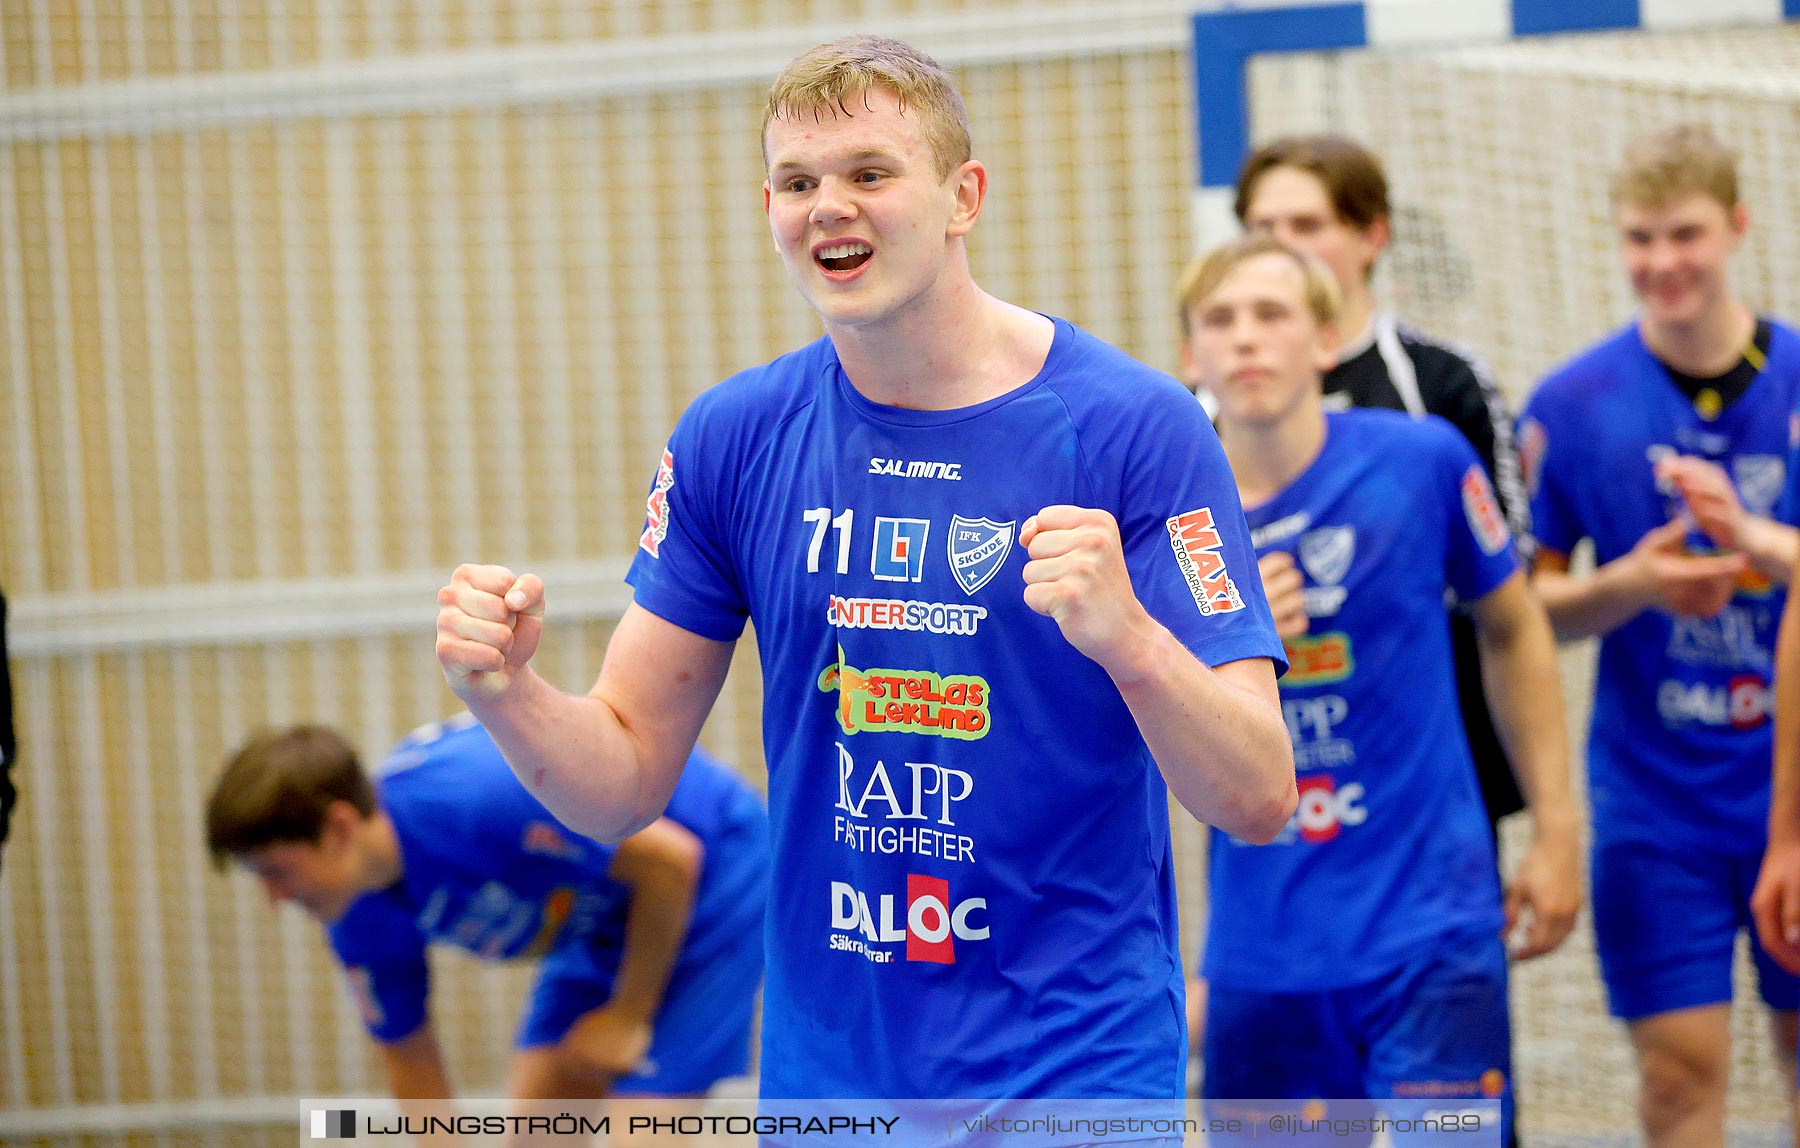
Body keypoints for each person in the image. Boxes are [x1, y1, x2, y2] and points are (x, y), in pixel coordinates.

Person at [433, 35, 1294, 1100]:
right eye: (798, 182)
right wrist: (508, 691)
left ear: (962, 196)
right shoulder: (734, 437)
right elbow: (618, 784)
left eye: (870, 174)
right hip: (833, 1080)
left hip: (1074, 1069)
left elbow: (1257, 794)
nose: (828, 207)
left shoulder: (1133, 427)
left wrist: (1132, 641)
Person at [1180, 233, 1580, 1144]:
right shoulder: (1170, 516)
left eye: (1271, 315)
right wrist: (1233, 656)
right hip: (1263, 947)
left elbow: (1514, 629)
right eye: (1221, 321)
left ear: (1326, 341)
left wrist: (1557, 831)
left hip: (1430, 926)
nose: (1246, 340)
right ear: (1189, 355)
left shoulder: (1423, 461)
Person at [1519, 122, 1800, 1148]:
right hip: (1656, 801)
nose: (1663, 262)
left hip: (1793, 780)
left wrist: (1755, 543)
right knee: (1679, 1077)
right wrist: (1635, 584)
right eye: (1640, 238)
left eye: (1685, 234)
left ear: (1736, 225)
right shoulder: (1571, 404)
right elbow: (1522, 614)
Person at [205, 713, 768, 1128]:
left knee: (639, 1132)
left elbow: (671, 863)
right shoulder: (355, 908)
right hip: (594, 906)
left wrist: (626, 1015)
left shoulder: (482, 801)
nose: (274, 899)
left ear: (338, 828)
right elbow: (409, 1055)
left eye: (277, 871)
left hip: (708, 872)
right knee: (534, 1131)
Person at [1233, 133, 1529, 838]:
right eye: (1262, 230)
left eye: (1306, 226)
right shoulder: (1204, 408)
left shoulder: (1438, 389)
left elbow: (1514, 602)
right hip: (1279, 779)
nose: (1281, 248)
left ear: (1372, 237)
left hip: (1431, 783)